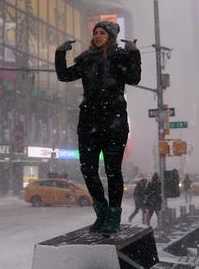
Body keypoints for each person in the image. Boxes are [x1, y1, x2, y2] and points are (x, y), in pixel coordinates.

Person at [55, 21, 141, 234]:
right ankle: (101, 211)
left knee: (113, 171)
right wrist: (59, 53)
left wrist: (134, 54)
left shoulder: (120, 57)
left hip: (114, 121)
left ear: (110, 36)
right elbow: (64, 75)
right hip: (89, 121)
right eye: (95, 33)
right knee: (87, 168)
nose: (98, 36)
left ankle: (113, 215)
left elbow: (134, 78)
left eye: (102, 33)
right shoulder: (86, 59)